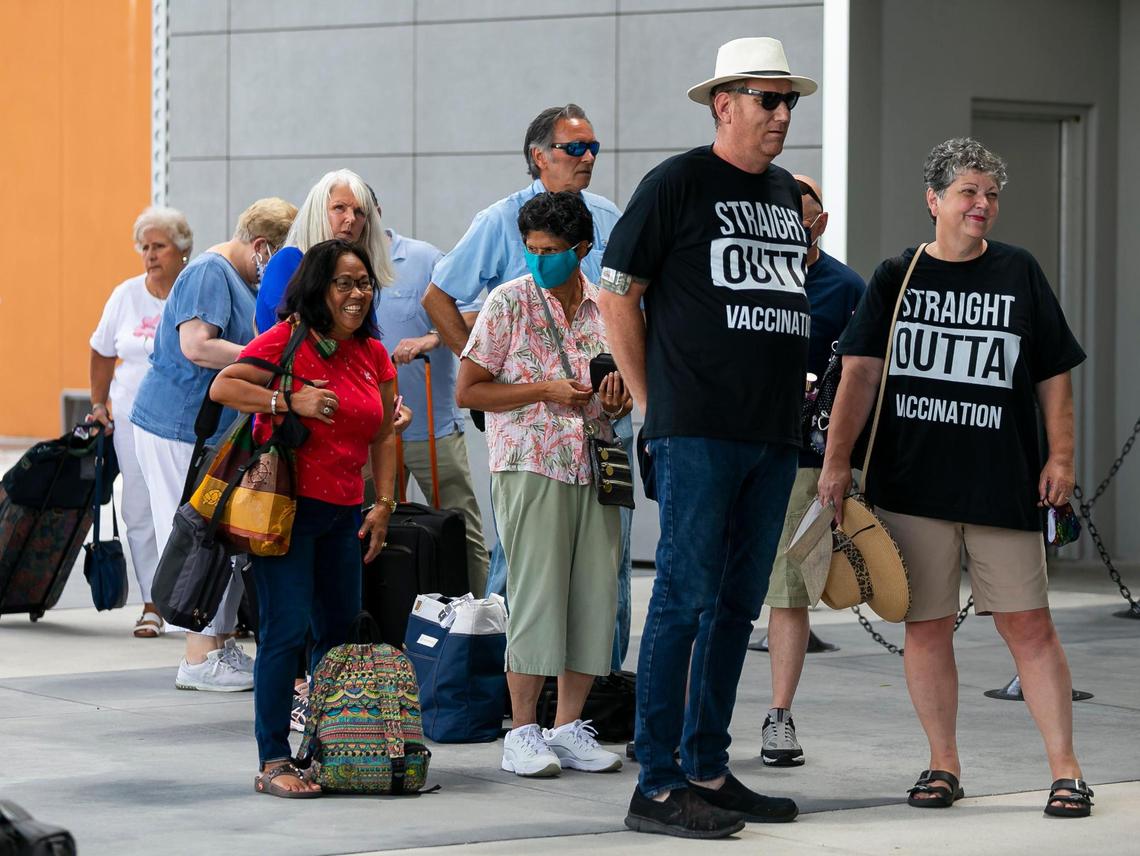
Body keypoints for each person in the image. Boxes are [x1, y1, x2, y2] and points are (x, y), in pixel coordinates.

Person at [818, 137, 1092, 818]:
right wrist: (836, 461)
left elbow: (1053, 372)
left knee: (1029, 627)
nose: (982, 205)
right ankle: (943, 764)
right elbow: (860, 372)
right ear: (934, 200)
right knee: (927, 627)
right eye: (969, 192)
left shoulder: (1019, 272)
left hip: (1002, 484)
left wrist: (1061, 457)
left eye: (991, 194)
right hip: (913, 485)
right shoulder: (896, 276)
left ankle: (1067, 771)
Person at [597, 36, 812, 837]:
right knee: (684, 601)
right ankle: (656, 782)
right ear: (724, 102)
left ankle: (708, 767)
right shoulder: (677, 183)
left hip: (772, 431)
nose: (782, 113)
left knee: (734, 606)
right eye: (768, 98)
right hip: (699, 429)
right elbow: (617, 291)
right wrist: (654, 401)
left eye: (790, 100)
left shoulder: (787, 191)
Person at [422, 104, 634, 671]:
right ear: (539, 156)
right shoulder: (500, 221)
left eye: (594, 147)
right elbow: (437, 296)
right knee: (522, 566)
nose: (588, 157)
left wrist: (626, 389)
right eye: (574, 148)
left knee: (606, 566)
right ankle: (508, 689)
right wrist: (486, 361)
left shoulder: (608, 215)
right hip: (528, 434)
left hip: (602, 429)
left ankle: (599, 690)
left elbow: (626, 309)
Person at [210, 238, 398, 798]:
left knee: (336, 637)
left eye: (364, 283)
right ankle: (273, 759)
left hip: (344, 515)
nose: (358, 293)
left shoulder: (373, 353)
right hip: (286, 512)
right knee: (286, 633)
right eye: (345, 283)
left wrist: (384, 503)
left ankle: (322, 748)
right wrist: (290, 400)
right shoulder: (290, 340)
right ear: (319, 288)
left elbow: (386, 431)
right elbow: (226, 384)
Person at [456, 192, 630, 779]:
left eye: (551, 251)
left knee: (593, 596)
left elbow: (630, 382)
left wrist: (618, 395)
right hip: (530, 462)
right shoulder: (507, 303)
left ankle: (568, 727)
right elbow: (470, 390)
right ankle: (522, 728)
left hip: (597, 463)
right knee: (536, 595)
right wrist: (543, 390)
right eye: (531, 250)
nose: (538, 260)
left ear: (581, 250)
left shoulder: (609, 307)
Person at [130, 197, 297, 692]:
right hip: (178, 427)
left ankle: (217, 645)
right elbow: (197, 344)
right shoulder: (209, 272)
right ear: (263, 246)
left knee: (219, 533)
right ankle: (199, 656)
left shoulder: (239, 279)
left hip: (206, 431)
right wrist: (267, 359)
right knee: (192, 532)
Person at [760, 174, 865, 767]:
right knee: (712, 590)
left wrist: (839, 460)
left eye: (797, 216)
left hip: (804, 461)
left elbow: (862, 377)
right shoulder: (741, 279)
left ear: (818, 222)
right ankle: (693, 716)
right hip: (738, 451)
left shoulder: (846, 287)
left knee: (790, 591)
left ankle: (780, 715)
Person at [88, 206, 194, 638]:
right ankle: (152, 603)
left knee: (183, 510)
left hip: (185, 423)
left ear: (182, 250)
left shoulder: (193, 291)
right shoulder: (125, 295)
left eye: (159, 246)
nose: (150, 255)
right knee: (138, 510)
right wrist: (98, 404)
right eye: (145, 247)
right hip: (131, 424)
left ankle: (190, 602)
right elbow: (100, 351)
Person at [378, 227, 490, 596]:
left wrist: (429, 338)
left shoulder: (425, 257)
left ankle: (476, 622)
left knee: (461, 526)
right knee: (375, 526)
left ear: (375, 213)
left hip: (434, 428)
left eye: (360, 210)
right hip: (373, 435)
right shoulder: (346, 263)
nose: (351, 220)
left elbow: (471, 316)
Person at [253, 169, 394, 336]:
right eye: (339, 208)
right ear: (318, 213)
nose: (351, 219)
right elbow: (286, 337)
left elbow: (370, 346)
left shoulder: (358, 276)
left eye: (359, 212)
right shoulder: (289, 261)